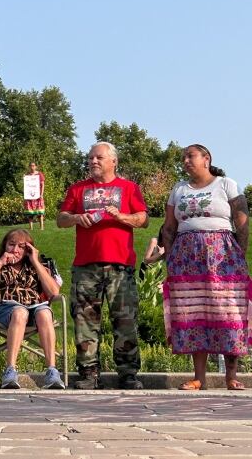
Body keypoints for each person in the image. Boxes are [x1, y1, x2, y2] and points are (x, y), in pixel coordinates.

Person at [161, 144, 252, 391]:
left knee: (228, 311)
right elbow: (168, 226)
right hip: (186, 256)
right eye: (183, 158)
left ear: (206, 159)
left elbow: (242, 219)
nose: (185, 161)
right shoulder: (178, 189)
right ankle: (199, 377)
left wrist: (240, 253)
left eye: (190, 156)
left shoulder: (225, 184)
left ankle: (231, 376)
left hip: (222, 253)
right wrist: (169, 258)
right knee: (194, 313)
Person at [57, 141, 149, 390]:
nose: (93, 162)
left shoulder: (129, 188)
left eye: (98, 158)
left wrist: (122, 217)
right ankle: (88, 374)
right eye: (90, 158)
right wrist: (77, 217)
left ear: (113, 161)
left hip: (120, 266)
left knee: (125, 320)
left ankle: (128, 374)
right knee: (85, 321)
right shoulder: (78, 189)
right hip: (86, 266)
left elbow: (143, 219)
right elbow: (61, 219)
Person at [0, 228, 65, 389]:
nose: (15, 250)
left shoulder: (36, 265)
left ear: (28, 249)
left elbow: (54, 292)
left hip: (35, 308)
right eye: (11, 245)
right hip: (4, 308)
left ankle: (52, 371)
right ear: (5, 246)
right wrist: (0, 263)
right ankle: (10, 371)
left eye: (21, 247)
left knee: (45, 313)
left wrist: (35, 261)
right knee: (19, 311)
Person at [23, 162, 46, 231]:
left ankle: (41, 227)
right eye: (30, 166)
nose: (32, 167)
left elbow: (42, 184)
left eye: (33, 166)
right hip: (30, 197)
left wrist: (41, 194)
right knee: (30, 213)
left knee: (40, 212)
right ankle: (31, 228)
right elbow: (26, 186)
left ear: (35, 166)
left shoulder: (39, 174)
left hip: (38, 196)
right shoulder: (27, 176)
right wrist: (24, 179)